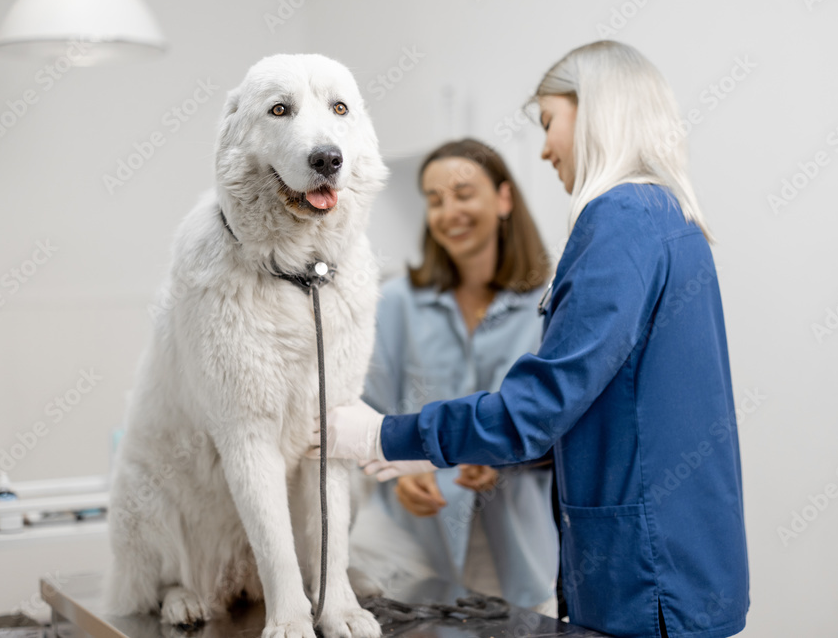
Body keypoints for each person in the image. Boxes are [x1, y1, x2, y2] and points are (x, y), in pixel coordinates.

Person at [313, 41, 749, 638]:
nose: (544, 148)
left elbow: (537, 409)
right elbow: (604, 409)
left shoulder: (619, 219)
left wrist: (380, 434)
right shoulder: (666, 216)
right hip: (681, 567)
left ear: (596, 110)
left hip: (647, 578)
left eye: (549, 123)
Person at [350, 138, 559, 615]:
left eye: (463, 193)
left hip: (519, 553)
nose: (448, 212)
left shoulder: (548, 304)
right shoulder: (398, 302)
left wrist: (507, 459)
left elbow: (560, 420)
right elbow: (365, 414)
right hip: (410, 547)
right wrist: (395, 474)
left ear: (504, 198)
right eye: (435, 199)